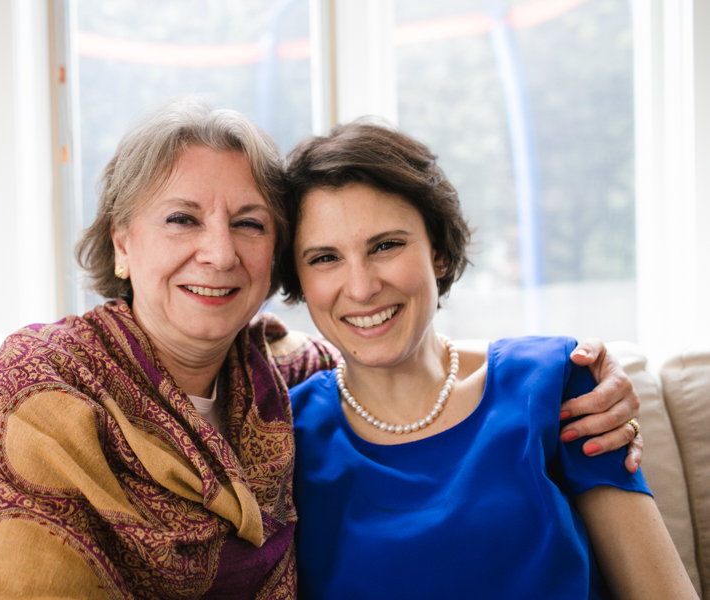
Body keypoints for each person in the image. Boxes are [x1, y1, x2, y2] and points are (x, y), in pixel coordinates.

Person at [0, 99, 641, 600]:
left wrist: (574, 375)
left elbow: (399, 361)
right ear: (122, 244)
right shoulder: (51, 380)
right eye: (181, 219)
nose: (219, 253)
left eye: (249, 224)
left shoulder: (281, 381)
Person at [282, 120, 695, 599]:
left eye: (386, 245)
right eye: (324, 258)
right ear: (299, 278)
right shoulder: (284, 437)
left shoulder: (556, 381)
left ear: (437, 251)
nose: (361, 287)